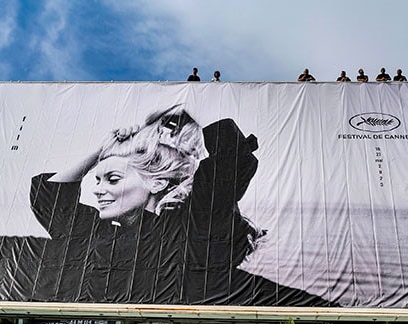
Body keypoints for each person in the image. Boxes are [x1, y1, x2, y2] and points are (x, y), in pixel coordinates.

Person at [20, 104, 336, 307]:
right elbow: (50, 197)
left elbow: (228, 153)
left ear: (156, 183)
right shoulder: (99, 235)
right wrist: (102, 149)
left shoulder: (193, 221)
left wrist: (177, 125)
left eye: (113, 179)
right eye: (98, 180)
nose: (99, 190)